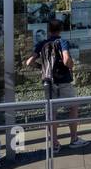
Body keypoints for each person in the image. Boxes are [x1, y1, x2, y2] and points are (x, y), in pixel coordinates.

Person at [25, 19, 83, 150]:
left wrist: (42, 67)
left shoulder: (41, 44)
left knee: (52, 112)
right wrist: (71, 66)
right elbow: (67, 59)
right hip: (63, 80)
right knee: (73, 107)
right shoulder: (62, 42)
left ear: (48, 30)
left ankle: (55, 144)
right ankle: (74, 139)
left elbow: (29, 62)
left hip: (48, 81)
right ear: (60, 30)